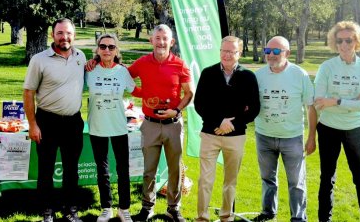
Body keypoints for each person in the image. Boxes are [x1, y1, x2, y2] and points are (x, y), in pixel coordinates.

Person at [314, 21, 360, 222]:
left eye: (348, 40)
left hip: (356, 130)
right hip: (328, 129)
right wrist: (353, 102)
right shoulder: (326, 67)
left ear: (357, 41)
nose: (344, 44)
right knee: (327, 179)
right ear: (334, 42)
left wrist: (337, 101)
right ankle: (325, 219)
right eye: (339, 40)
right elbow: (319, 102)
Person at [129, 24, 193, 221]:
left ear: (171, 42)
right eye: (157, 38)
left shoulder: (180, 65)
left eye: (165, 38)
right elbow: (124, 78)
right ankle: (147, 207)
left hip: (174, 125)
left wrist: (177, 110)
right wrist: (142, 93)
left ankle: (173, 208)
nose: (161, 42)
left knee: (175, 169)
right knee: (149, 169)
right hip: (150, 125)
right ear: (151, 41)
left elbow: (189, 92)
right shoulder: (142, 62)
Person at [23, 18, 86, 222]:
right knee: (46, 169)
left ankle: (71, 211)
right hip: (47, 122)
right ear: (53, 35)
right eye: (60, 33)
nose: (64, 37)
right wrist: (32, 124)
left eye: (68, 33)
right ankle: (47, 212)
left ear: (74, 35)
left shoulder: (81, 57)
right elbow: (28, 93)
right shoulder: (39, 59)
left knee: (71, 170)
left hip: (73, 122)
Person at [194, 36, 261, 222]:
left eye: (231, 51)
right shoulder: (208, 73)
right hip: (210, 134)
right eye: (224, 50)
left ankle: (226, 216)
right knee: (205, 180)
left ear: (239, 53)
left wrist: (232, 124)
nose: (226, 55)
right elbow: (200, 104)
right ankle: (202, 218)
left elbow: (254, 108)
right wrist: (219, 122)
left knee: (230, 181)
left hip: (236, 136)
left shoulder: (248, 77)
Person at [253, 36, 316, 222]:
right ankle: (267, 212)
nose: (271, 55)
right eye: (267, 51)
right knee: (267, 179)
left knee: (296, 182)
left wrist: (312, 137)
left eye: (276, 51)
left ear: (287, 53)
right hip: (263, 135)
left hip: (292, 137)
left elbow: (311, 107)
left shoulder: (300, 74)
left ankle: (298, 218)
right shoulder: (258, 75)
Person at [85, 34, 137, 222]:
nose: (107, 50)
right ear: (98, 49)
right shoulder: (89, 70)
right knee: (103, 170)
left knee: (123, 169)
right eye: (103, 46)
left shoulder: (123, 72)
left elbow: (136, 91)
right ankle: (106, 208)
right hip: (97, 126)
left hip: (119, 127)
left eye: (111, 47)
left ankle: (124, 209)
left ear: (117, 51)